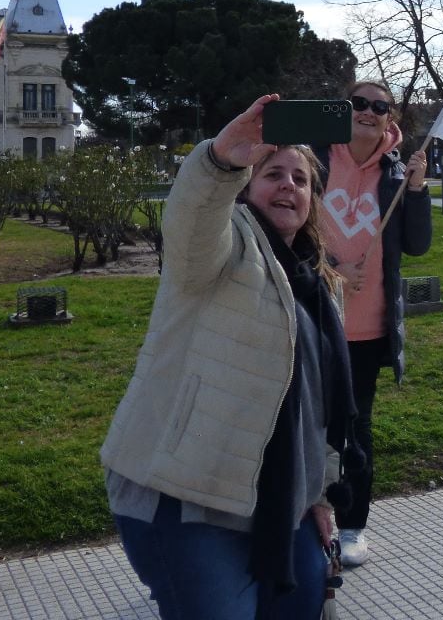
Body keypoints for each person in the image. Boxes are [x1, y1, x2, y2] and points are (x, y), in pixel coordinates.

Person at [101, 94, 364, 619]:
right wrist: (221, 160)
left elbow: (322, 407)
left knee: (304, 604)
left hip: (282, 502)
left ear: (313, 198)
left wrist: (319, 496)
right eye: (272, 173)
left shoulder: (318, 285)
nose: (287, 184)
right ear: (246, 187)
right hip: (188, 499)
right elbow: (193, 221)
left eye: (300, 179)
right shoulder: (221, 249)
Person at [313, 80, 432, 567]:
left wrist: (419, 191)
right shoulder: (314, 158)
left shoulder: (398, 172)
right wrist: (334, 269)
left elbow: (417, 245)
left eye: (378, 106)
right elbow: (283, 229)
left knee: (356, 431)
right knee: (306, 426)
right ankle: (302, 519)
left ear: (390, 117)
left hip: (365, 330)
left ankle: (353, 525)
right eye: (357, 103)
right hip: (313, 318)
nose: (366, 111)